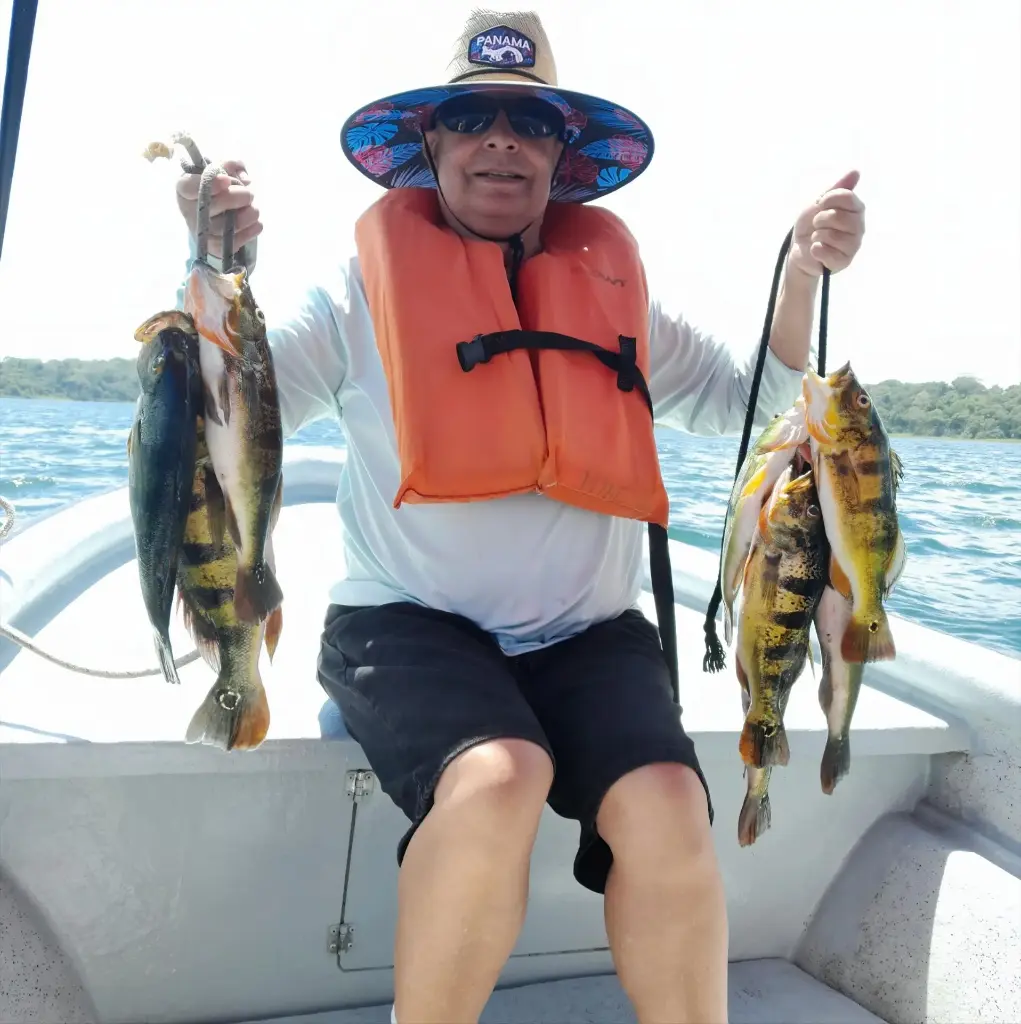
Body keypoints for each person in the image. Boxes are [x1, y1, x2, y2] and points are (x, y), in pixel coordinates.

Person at [174, 11, 865, 1023]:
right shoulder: (361, 294)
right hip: (406, 627)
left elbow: (760, 403)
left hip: (587, 637)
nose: (502, 138)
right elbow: (220, 408)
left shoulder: (618, 298)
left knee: (670, 805)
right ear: (432, 145)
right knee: (502, 776)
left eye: (529, 122)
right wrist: (208, 260)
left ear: (560, 153)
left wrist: (803, 271)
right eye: (472, 116)